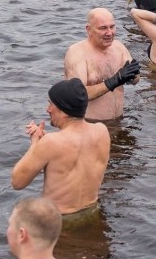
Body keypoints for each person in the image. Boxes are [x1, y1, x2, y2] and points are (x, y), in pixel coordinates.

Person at [12, 78, 110, 215]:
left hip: (60, 222)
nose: (48, 109)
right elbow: (71, 145)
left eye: (51, 104)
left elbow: (17, 182)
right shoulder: (102, 132)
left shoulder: (51, 143)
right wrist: (45, 140)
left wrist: (35, 143)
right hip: (92, 214)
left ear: (64, 111)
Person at [64, 9, 141, 121]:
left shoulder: (119, 47)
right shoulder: (77, 53)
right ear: (89, 30)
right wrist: (115, 81)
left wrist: (133, 77)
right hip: (89, 124)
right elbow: (78, 94)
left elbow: (135, 79)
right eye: (103, 28)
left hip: (118, 121)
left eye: (112, 27)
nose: (109, 33)